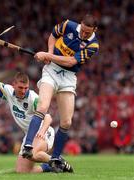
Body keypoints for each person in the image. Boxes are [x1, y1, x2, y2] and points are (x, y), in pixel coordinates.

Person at [0, 54, 73, 173]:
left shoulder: (33, 98)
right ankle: (49, 166)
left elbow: (48, 117)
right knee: (22, 171)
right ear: (14, 85)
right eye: (20, 88)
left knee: (33, 154)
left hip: (43, 132)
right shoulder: (8, 91)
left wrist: (42, 132)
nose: (23, 91)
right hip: (29, 136)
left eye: (26, 88)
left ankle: (59, 161)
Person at [23, 14, 99, 172]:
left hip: (68, 78)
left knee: (66, 122)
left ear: (95, 30)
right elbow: (53, 35)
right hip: (51, 71)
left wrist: (47, 55)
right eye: (83, 31)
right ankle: (28, 146)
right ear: (80, 24)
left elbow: (71, 61)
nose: (84, 34)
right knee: (43, 106)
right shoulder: (68, 25)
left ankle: (56, 158)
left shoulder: (93, 45)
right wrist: (49, 52)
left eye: (88, 32)